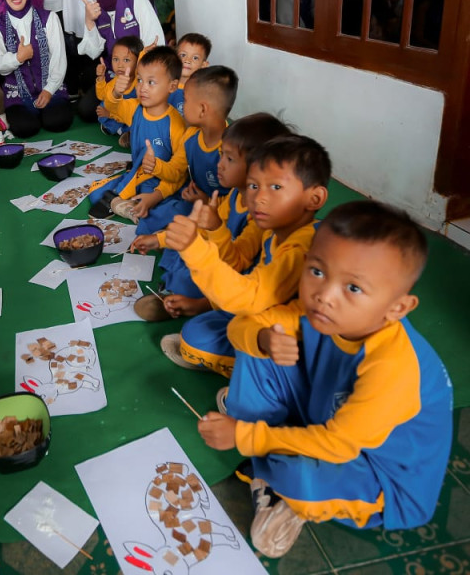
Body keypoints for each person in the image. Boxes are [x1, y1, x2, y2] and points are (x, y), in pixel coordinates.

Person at [196, 201, 452, 559]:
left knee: (301, 476)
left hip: (377, 473)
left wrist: (243, 435)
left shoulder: (393, 366)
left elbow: (338, 445)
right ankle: (270, 444)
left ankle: (277, 479)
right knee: (261, 347)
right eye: (317, 271)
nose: (324, 296)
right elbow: (243, 325)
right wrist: (263, 339)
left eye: (354, 288)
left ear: (398, 308)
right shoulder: (320, 310)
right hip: (325, 415)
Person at [164, 135, 331, 376]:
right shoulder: (271, 229)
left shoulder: (304, 247)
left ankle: (265, 377)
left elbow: (252, 297)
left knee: (195, 342)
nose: (258, 198)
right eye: (253, 186)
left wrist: (194, 249)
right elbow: (237, 263)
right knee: (201, 329)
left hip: (291, 337)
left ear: (314, 198)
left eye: (276, 187)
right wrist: (215, 229)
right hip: (264, 313)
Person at [135, 113, 290, 320]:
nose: (220, 164)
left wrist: (216, 227)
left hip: (235, 269)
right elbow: (201, 231)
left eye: (230, 159)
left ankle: (196, 303)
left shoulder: (261, 217)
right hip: (219, 253)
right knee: (180, 239)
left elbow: (237, 263)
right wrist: (160, 240)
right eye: (221, 154)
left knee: (195, 274)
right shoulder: (235, 195)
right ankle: (176, 290)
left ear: (258, 169)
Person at [128, 66, 238, 238]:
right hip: (193, 198)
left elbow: (237, 199)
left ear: (203, 109)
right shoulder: (191, 135)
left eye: (185, 100)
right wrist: (156, 169)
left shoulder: (231, 149)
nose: (181, 105)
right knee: (160, 213)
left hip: (221, 215)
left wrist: (206, 202)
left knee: (189, 236)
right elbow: (176, 172)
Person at [86, 46, 187, 219]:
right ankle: (125, 203)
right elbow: (112, 106)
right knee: (95, 191)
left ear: (172, 86)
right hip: (138, 173)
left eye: (151, 82)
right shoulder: (135, 108)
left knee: (165, 207)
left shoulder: (176, 124)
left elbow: (179, 172)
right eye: (139, 80)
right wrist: (116, 92)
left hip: (162, 180)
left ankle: (123, 202)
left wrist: (157, 171)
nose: (142, 88)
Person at [76, 0, 163, 123]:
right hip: (114, 74)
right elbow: (93, 52)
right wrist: (89, 20)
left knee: (140, 109)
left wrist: (140, 77)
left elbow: (156, 42)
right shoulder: (94, 6)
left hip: (143, 74)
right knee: (86, 111)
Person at [0, 0, 72, 137]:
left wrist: (49, 90)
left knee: (58, 122)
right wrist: (18, 58)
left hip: (51, 90)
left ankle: (41, 110)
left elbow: (59, 58)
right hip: (18, 97)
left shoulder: (49, 18)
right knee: (25, 129)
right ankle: (16, 116)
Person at [171, 33, 213, 112]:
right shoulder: (164, 83)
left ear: (203, 65)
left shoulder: (201, 93)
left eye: (195, 58)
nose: (187, 60)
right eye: (183, 55)